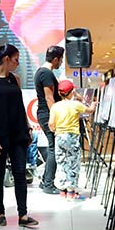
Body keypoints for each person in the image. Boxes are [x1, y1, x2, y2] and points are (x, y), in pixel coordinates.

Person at [0, 43, 39, 228]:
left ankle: (23, 215)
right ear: (6, 59)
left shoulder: (16, 79)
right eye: (15, 59)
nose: (18, 62)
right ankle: (0, 212)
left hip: (18, 133)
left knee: (20, 174)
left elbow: (20, 105)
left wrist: (28, 126)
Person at [48, 80, 98, 199]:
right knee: (73, 163)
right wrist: (94, 104)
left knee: (61, 163)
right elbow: (90, 111)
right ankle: (71, 192)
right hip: (72, 137)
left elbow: (51, 124)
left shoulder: (55, 106)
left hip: (59, 136)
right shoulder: (75, 104)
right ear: (71, 92)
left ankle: (62, 191)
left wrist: (56, 130)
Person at [34, 45, 65, 194]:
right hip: (47, 114)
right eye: (61, 60)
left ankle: (45, 181)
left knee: (53, 147)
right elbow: (48, 97)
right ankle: (48, 184)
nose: (61, 63)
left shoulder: (44, 72)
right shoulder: (46, 73)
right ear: (55, 59)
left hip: (45, 113)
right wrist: (55, 117)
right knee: (53, 148)